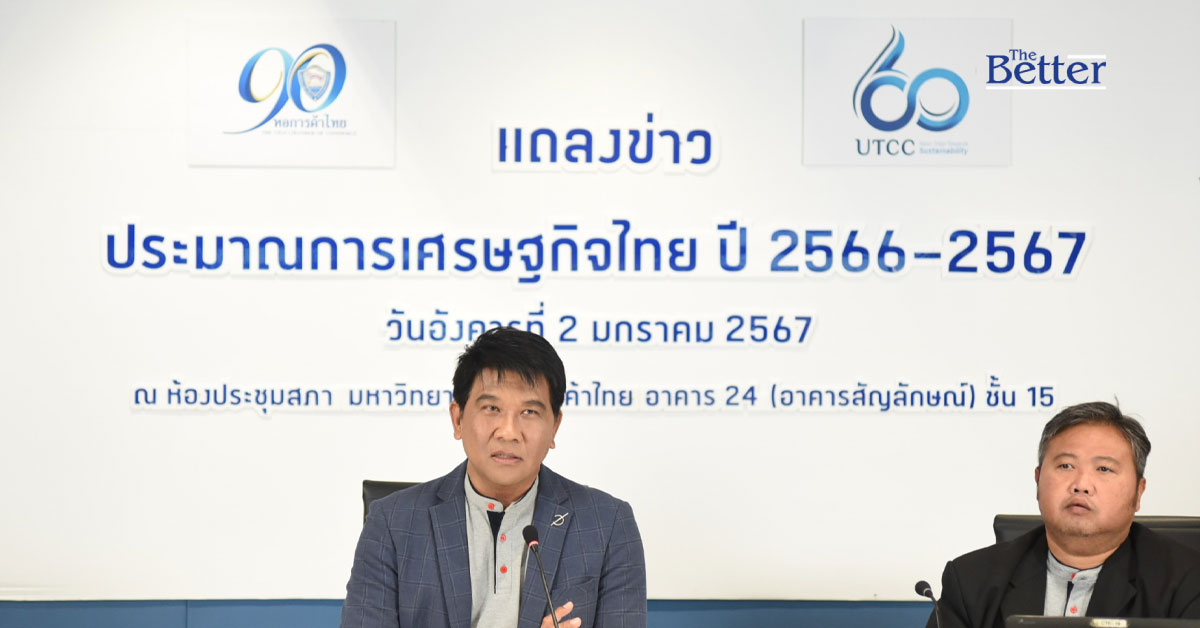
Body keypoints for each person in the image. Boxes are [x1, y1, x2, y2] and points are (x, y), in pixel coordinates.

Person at [341, 327, 646, 628]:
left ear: (554, 427)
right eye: (492, 408)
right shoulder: (392, 524)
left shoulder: (608, 525)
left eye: (529, 412)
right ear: (458, 419)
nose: (509, 432)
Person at [928, 402, 1200, 628]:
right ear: (1037, 480)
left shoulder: (1188, 584)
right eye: (1066, 465)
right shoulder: (971, 580)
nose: (1081, 484)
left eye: (1104, 469)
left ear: (1138, 492)